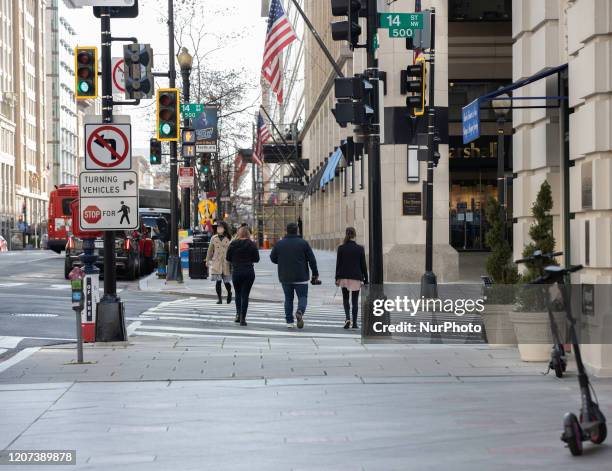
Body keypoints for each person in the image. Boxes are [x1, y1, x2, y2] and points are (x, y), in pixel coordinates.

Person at [270, 222, 319, 329]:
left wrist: (282, 261)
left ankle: (289, 322)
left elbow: (272, 258)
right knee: (302, 297)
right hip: (301, 276)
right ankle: (300, 311)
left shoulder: (280, 244)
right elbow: (312, 260)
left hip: (285, 276)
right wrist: (315, 274)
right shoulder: (303, 243)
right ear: (297, 230)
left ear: (286, 231)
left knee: (288, 298)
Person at [335, 227, 368, 329]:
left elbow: (338, 265)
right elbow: (363, 265)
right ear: (355, 235)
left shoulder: (341, 248)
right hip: (356, 277)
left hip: (343, 277)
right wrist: (366, 279)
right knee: (354, 300)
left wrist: (336, 278)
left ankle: (347, 318)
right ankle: (354, 323)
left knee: (345, 298)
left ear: (346, 234)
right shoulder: (360, 248)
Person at [226, 226, 259, 326]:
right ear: (248, 234)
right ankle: (243, 318)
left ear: (238, 233)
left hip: (237, 271)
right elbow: (257, 259)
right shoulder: (252, 244)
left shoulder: (233, 244)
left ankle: (237, 315)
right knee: (245, 295)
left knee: (238, 294)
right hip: (248, 271)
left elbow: (228, 258)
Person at [206, 221, 232, 304]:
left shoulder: (229, 238)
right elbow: (209, 251)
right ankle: (219, 299)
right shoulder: (214, 238)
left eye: (220, 227)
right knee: (218, 281)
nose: (219, 229)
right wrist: (207, 260)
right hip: (216, 262)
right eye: (218, 227)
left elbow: (232, 251)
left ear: (224, 229)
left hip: (226, 262)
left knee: (226, 282)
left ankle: (229, 293)